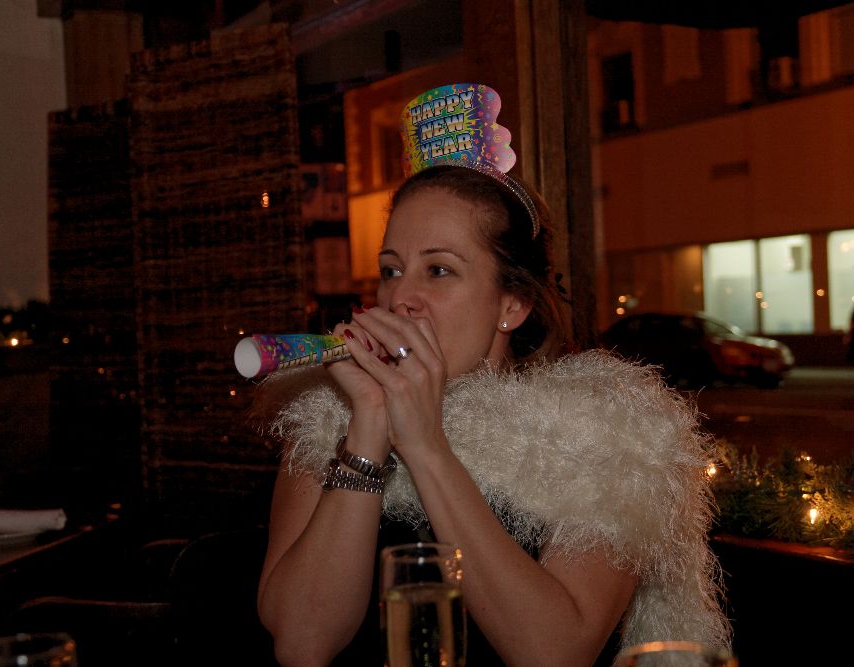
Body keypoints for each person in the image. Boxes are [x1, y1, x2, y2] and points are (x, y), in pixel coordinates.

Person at [256, 84, 730, 666]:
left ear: (512, 304)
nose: (400, 297)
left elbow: (555, 652)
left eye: (439, 270)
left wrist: (426, 445)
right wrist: (369, 428)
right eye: (391, 269)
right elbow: (303, 643)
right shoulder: (325, 423)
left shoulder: (607, 436)